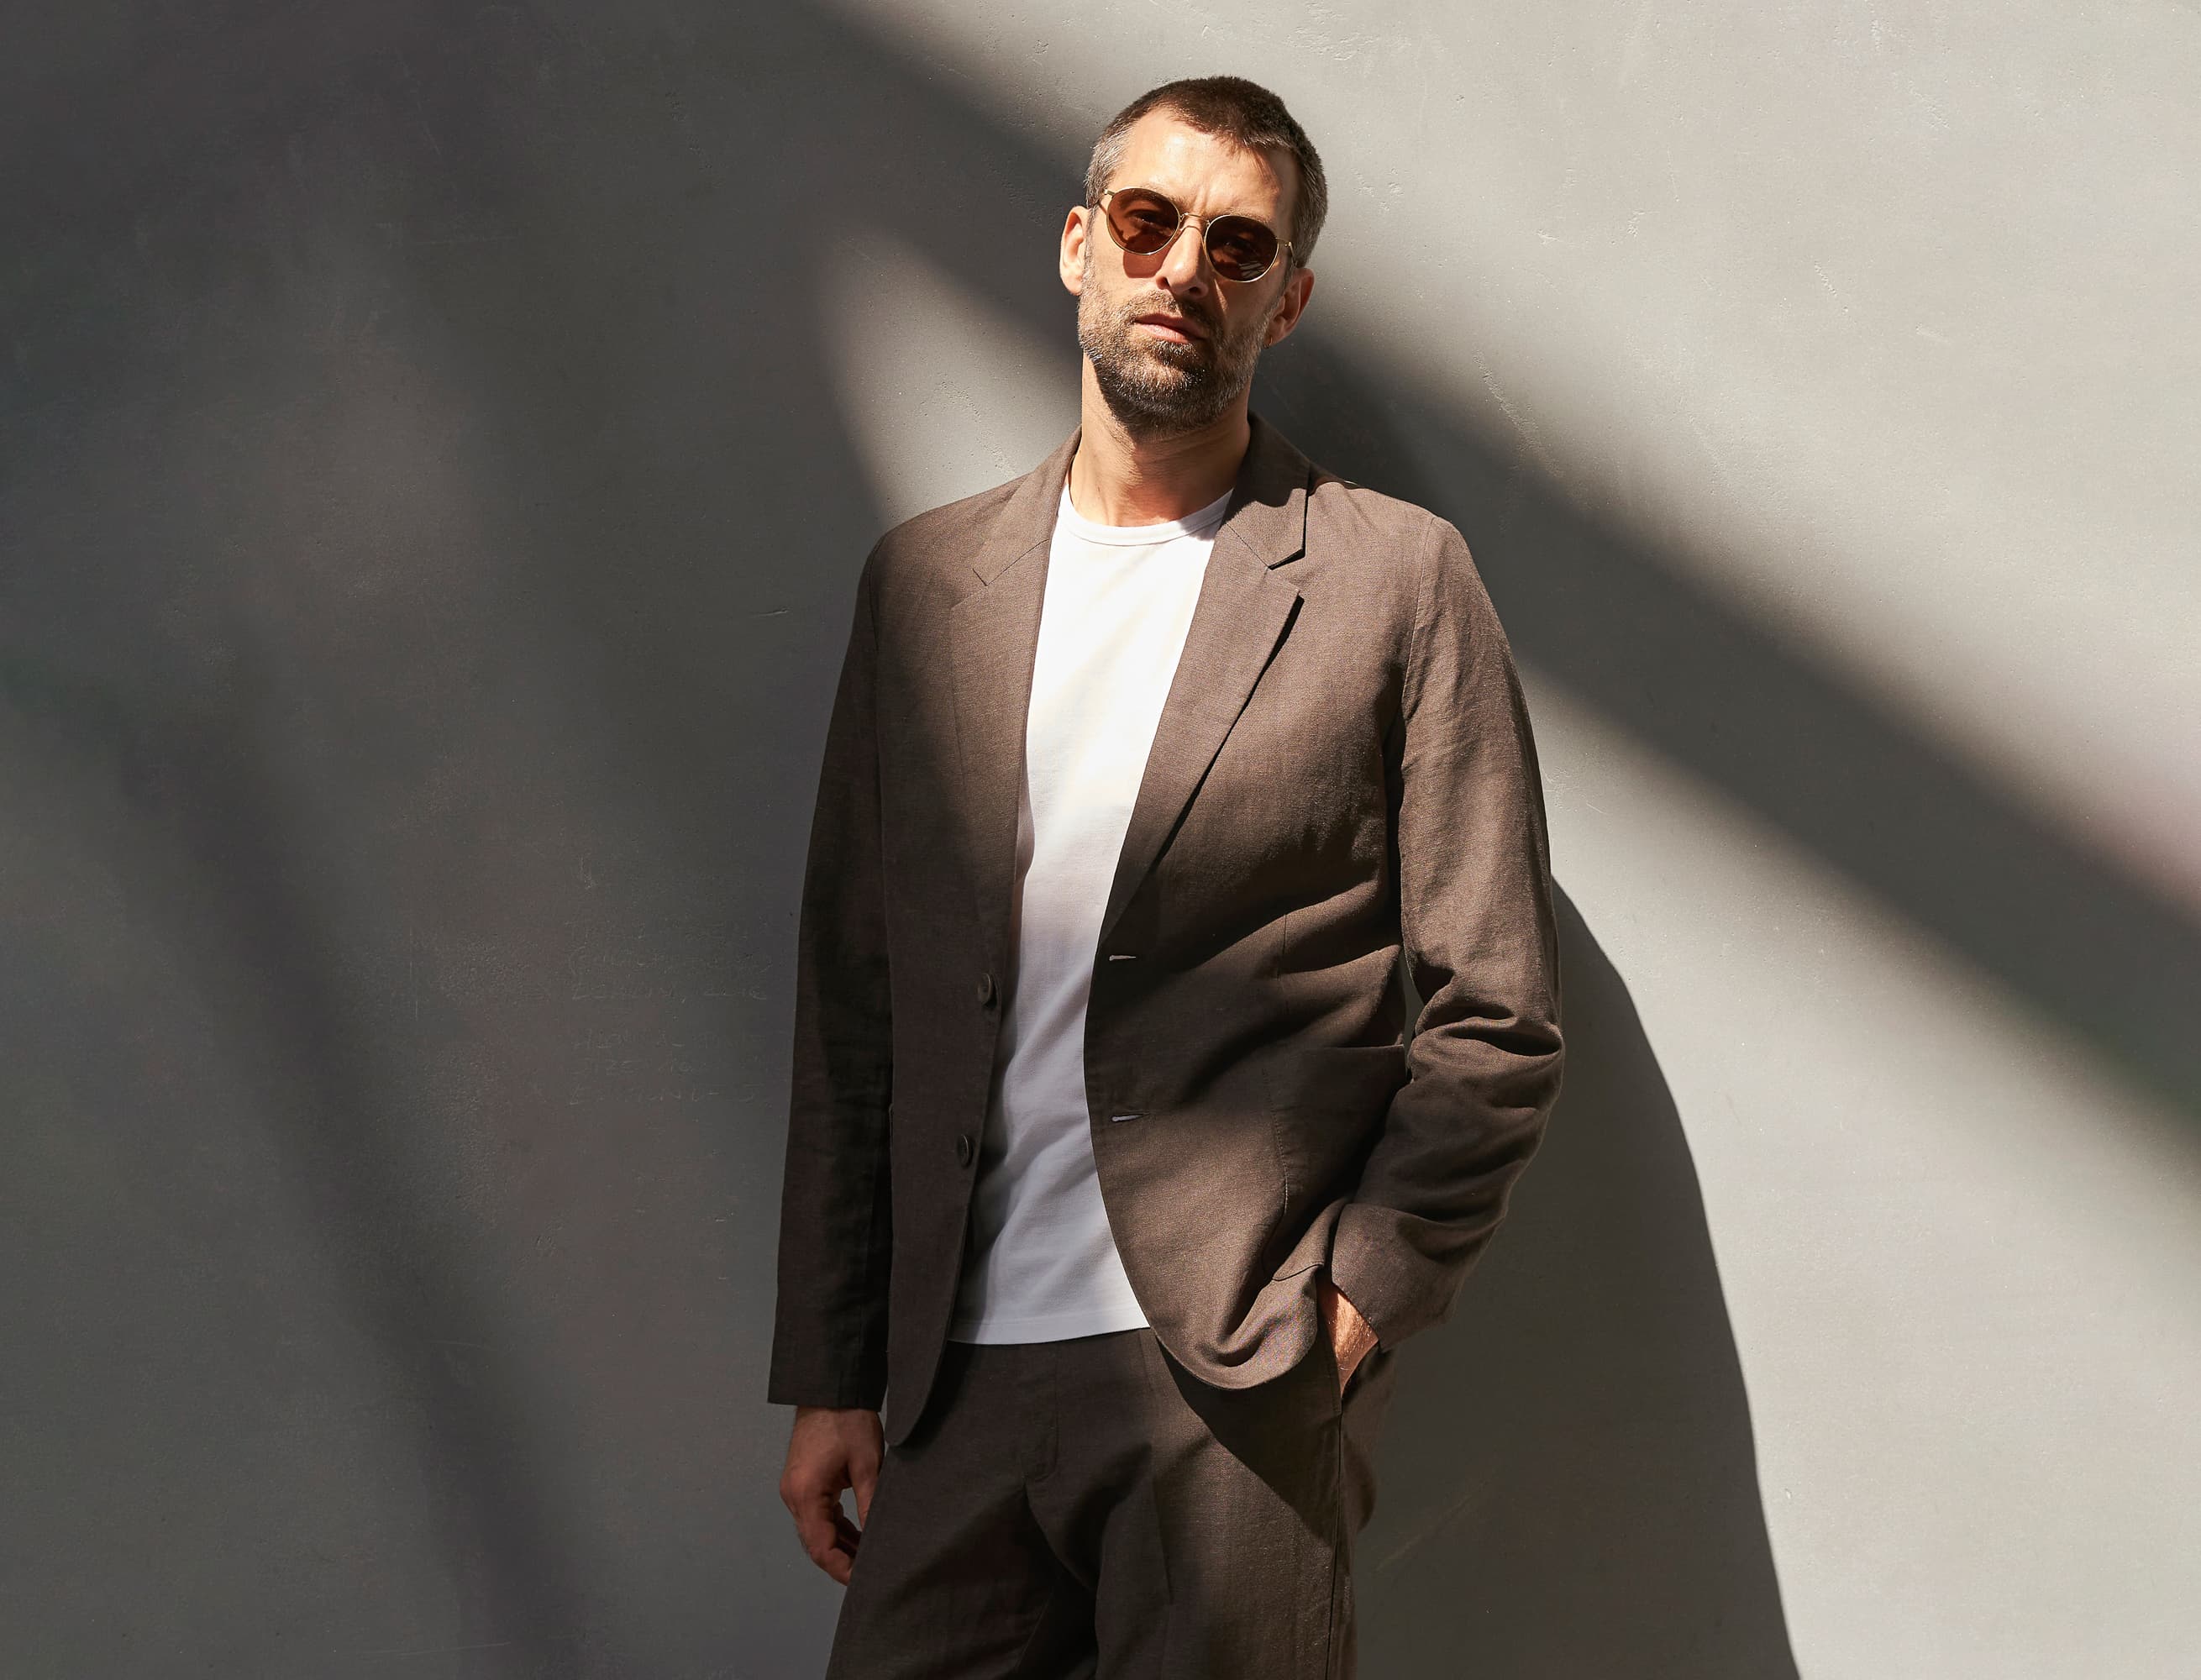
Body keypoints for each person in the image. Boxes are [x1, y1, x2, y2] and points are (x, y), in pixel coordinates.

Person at [770, 74, 1565, 1680]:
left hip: (1229, 1385)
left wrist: (1348, 1307)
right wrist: (834, 1368)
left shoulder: (1394, 581)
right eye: (1148, 221)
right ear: (1081, 244)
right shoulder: (926, 586)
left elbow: (1496, 1013)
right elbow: (860, 1000)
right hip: (952, 1381)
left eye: (1238, 243)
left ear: (1288, 299)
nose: (1184, 267)